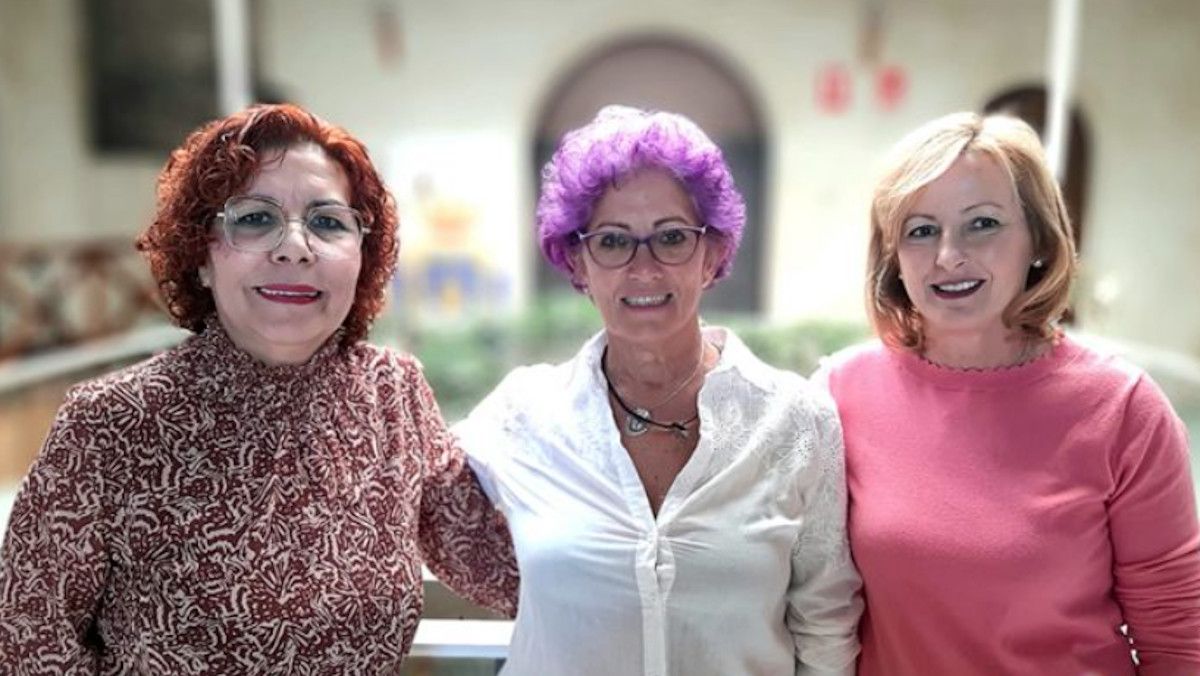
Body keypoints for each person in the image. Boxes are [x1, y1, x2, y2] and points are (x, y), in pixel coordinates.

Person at [0, 104, 518, 673]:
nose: (293, 247)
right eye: (253, 218)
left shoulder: (393, 394)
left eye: (327, 222)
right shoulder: (110, 422)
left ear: (360, 257)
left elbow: (499, 562)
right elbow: (26, 643)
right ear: (201, 257)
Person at [453, 105, 862, 675]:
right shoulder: (522, 415)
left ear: (712, 253)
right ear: (577, 260)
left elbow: (825, 624)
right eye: (613, 241)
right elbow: (404, 488)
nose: (643, 268)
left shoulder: (795, 421)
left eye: (671, 237)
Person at [815, 111, 1200, 675]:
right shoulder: (839, 395)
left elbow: (1178, 641)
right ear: (893, 259)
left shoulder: (1122, 410)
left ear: (1039, 241)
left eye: (982, 224)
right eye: (921, 231)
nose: (948, 255)